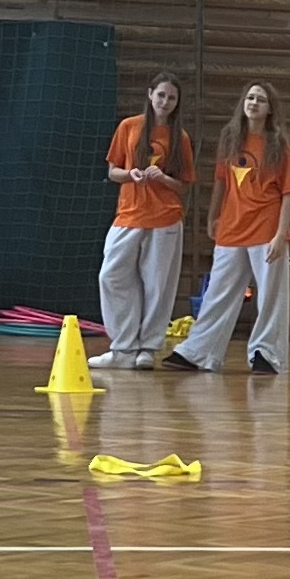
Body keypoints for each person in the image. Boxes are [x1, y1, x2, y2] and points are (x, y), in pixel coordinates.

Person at [163, 80, 290, 375]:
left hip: (267, 228)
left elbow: (288, 193)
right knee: (218, 292)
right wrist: (213, 217)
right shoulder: (230, 138)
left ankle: (267, 354)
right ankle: (199, 352)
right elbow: (221, 182)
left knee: (270, 296)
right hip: (232, 228)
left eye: (260, 99)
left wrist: (280, 234)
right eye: (250, 98)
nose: (254, 103)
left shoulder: (278, 144)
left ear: (270, 109)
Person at [91, 71, 195, 370]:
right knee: (111, 275)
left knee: (158, 285)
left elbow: (183, 185)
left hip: (165, 218)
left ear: (177, 103)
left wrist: (162, 178)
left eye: (171, 97)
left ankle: (148, 348)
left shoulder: (180, 138)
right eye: (161, 95)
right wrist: (131, 175)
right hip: (129, 214)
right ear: (150, 95)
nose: (165, 101)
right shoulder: (129, 126)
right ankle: (123, 347)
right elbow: (113, 172)